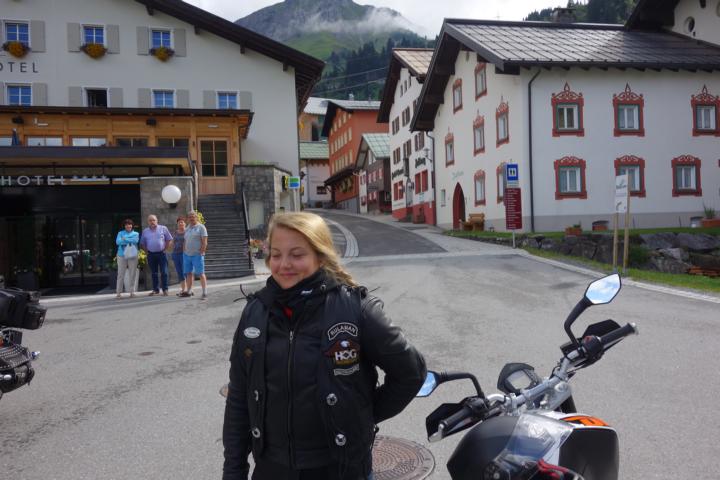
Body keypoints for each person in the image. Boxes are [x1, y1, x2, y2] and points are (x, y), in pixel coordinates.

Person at [222, 212, 426, 480]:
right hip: (272, 469)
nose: (284, 264)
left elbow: (410, 373)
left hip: (341, 469)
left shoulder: (356, 309)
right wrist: (233, 471)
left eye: (297, 254)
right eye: (276, 254)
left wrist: (359, 416)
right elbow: (239, 397)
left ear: (320, 256)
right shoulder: (255, 312)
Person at [139, 214, 173, 296]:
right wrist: (147, 252)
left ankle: (165, 289)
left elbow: (169, 239)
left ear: (157, 221)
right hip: (151, 254)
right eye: (150, 220)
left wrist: (165, 249)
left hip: (162, 254)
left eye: (153, 220)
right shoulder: (145, 231)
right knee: (154, 273)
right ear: (148, 222)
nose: (152, 222)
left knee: (164, 272)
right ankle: (155, 289)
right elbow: (142, 243)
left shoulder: (163, 228)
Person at [180, 210, 208, 300]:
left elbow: (204, 241)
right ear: (188, 219)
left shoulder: (201, 227)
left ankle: (204, 292)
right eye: (190, 217)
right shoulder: (187, 228)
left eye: (193, 216)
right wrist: (184, 251)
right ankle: (189, 291)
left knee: (201, 273)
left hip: (197, 255)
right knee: (188, 273)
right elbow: (185, 240)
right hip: (187, 255)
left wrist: (202, 251)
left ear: (196, 217)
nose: (191, 218)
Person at [115, 219, 140, 299]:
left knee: (132, 273)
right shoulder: (120, 233)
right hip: (121, 255)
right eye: (126, 224)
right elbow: (118, 242)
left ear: (132, 225)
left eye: (129, 224)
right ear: (124, 226)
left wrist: (124, 239)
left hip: (132, 255)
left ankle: (132, 292)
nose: (128, 226)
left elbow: (135, 240)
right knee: (120, 274)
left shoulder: (136, 233)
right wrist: (129, 240)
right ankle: (118, 293)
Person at [171, 216, 189, 296]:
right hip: (176, 254)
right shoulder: (175, 232)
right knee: (179, 272)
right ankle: (183, 289)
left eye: (182, 222)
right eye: (179, 222)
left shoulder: (188, 231)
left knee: (186, 271)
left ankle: (189, 289)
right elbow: (173, 242)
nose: (180, 223)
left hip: (184, 254)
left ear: (185, 223)